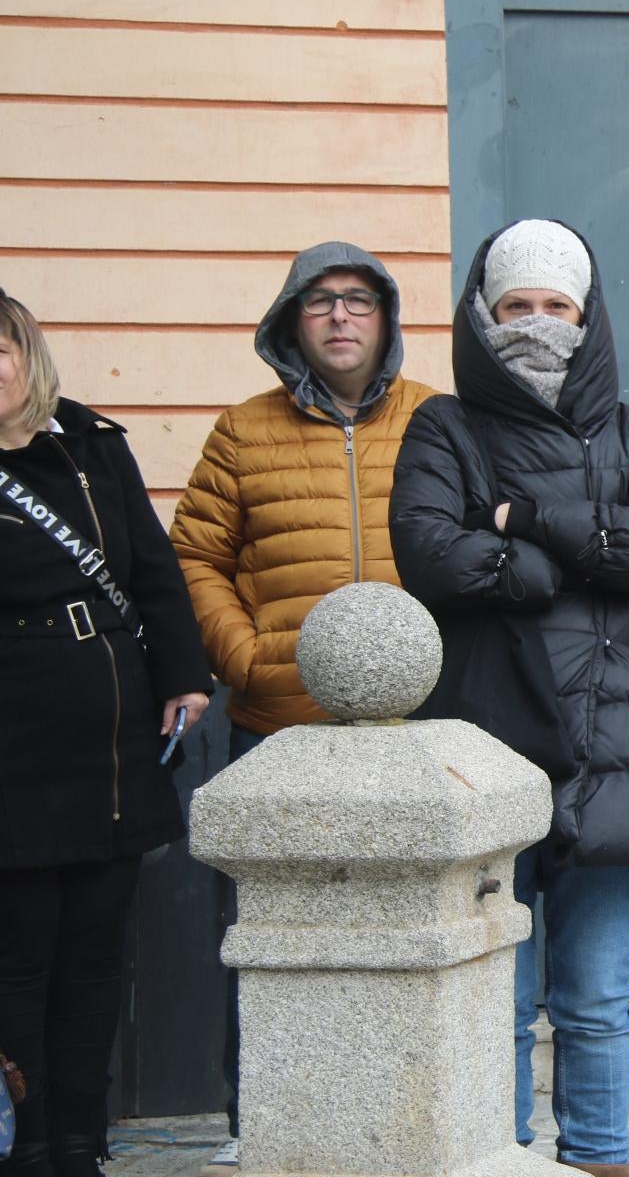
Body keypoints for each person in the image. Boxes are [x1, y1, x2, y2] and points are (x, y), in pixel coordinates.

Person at [390, 219, 629, 1176]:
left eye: (555, 305)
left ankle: (602, 1158)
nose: (536, 322)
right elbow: (429, 552)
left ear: (586, 313)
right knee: (500, 995)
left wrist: (530, 520)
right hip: (493, 738)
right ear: (485, 313)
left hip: (619, 741)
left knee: (599, 995)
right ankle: (501, 1156)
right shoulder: (445, 424)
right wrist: (538, 569)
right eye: (516, 305)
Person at [167, 241, 436, 1170]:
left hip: (416, 740)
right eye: (319, 301)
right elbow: (195, 556)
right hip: (276, 730)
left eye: (359, 300)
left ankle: (406, 1137)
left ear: (386, 319)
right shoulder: (243, 430)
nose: (340, 317)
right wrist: (244, 655)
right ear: (290, 321)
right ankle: (266, 1138)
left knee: (406, 948)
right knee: (270, 951)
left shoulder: (438, 421)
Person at [0, 289, 213, 1176]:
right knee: (18, 962)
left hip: (113, 744)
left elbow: (154, 571)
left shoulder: (90, 447)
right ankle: (27, 1143)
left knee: (96, 961)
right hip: (13, 747)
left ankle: (83, 1143)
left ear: (27, 356)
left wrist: (186, 677)